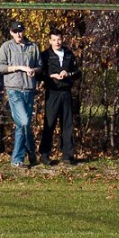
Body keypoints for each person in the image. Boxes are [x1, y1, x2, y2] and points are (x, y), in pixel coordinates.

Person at [0, 20, 41, 168]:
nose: (18, 34)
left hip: (29, 89)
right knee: (24, 122)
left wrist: (35, 70)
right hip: (14, 89)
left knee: (22, 125)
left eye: (20, 31)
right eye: (15, 31)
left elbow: (40, 65)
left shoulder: (33, 47)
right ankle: (21, 156)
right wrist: (18, 67)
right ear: (11, 32)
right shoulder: (6, 47)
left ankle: (26, 155)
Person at [38, 29, 81, 165]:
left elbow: (78, 72)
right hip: (52, 93)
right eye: (54, 40)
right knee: (49, 124)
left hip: (66, 93)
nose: (57, 42)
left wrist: (68, 74)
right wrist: (51, 76)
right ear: (50, 41)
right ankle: (44, 155)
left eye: (59, 39)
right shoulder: (45, 55)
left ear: (63, 40)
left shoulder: (69, 54)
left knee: (67, 125)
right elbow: (39, 74)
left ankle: (67, 155)